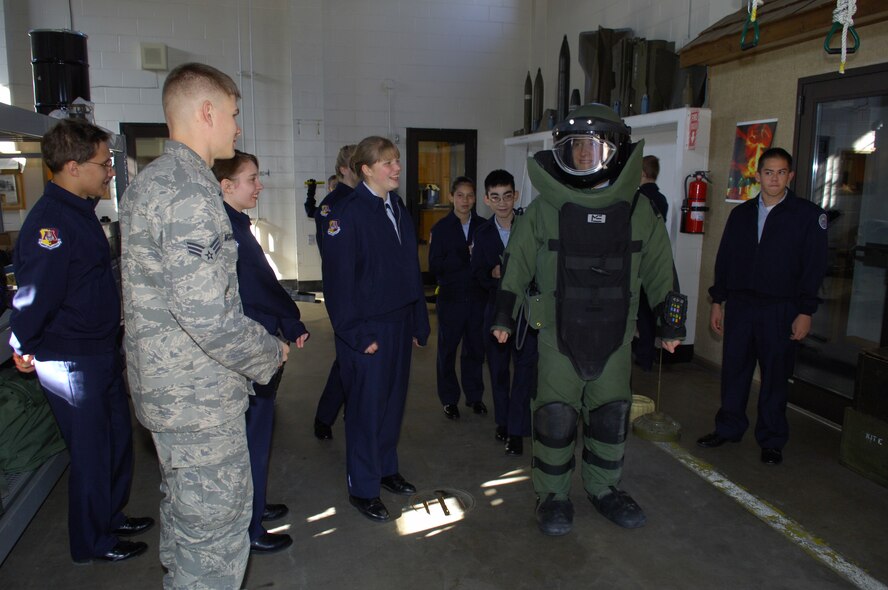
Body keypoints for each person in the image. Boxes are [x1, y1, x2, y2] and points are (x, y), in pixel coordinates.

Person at [119, 62, 288, 589]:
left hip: (167, 391)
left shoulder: (149, 183)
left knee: (186, 522)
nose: (237, 127)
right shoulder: (191, 193)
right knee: (214, 539)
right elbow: (209, 317)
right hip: (198, 399)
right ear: (207, 112)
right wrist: (269, 351)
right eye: (233, 114)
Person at [491, 104, 685, 536]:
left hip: (616, 337)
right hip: (557, 337)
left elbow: (661, 270)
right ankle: (552, 495)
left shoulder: (639, 212)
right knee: (555, 418)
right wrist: (503, 316)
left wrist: (671, 323)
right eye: (575, 147)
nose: (583, 156)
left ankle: (604, 487)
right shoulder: (544, 210)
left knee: (610, 417)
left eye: (593, 148)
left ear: (617, 152)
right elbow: (516, 265)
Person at [9, 118, 153, 564]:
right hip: (71, 358)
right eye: (103, 163)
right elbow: (35, 294)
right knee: (91, 452)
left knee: (116, 440)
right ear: (72, 167)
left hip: (99, 350)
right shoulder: (51, 223)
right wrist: (22, 343)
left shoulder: (80, 211)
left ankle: (110, 516)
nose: (109, 171)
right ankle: (92, 542)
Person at [321, 136, 430, 522]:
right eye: (387, 162)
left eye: (397, 160)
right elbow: (338, 283)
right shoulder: (347, 213)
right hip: (367, 329)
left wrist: (418, 319)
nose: (397, 167)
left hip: (399, 323)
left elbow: (409, 267)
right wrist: (356, 334)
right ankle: (363, 488)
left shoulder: (396, 206)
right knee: (366, 411)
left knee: (392, 405)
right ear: (366, 170)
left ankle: (385, 468)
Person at [697, 147, 828, 466]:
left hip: (781, 309)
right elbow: (725, 259)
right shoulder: (741, 215)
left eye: (781, 173)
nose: (774, 179)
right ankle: (728, 428)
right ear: (758, 176)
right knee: (734, 371)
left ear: (790, 176)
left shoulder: (807, 216)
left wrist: (805, 311)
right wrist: (718, 301)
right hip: (741, 306)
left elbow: (814, 267)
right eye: (768, 172)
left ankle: (771, 439)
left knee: (775, 377)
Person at [212, 151, 310, 554]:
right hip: (250, 352)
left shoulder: (236, 222)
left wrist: (289, 322)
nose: (260, 186)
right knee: (252, 439)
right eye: (252, 179)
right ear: (227, 186)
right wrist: (291, 317)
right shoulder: (226, 229)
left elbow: (263, 283)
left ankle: (255, 505)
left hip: (260, 341)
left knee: (258, 434)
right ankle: (249, 527)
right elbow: (257, 289)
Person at [471, 169, 538, 456]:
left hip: (526, 312)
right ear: (487, 199)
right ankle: (503, 421)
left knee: (525, 371)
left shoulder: (530, 227)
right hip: (496, 310)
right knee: (498, 371)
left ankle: (517, 429)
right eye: (495, 197)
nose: (502, 203)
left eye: (507, 196)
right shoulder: (482, 233)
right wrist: (492, 273)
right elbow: (476, 274)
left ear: (516, 196)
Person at [428, 176, 487, 420]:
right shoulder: (441, 229)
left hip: (477, 299)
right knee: (447, 351)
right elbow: (434, 266)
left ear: (475, 198)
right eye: (460, 195)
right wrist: (463, 254)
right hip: (451, 299)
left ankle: (474, 396)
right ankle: (449, 399)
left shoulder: (484, 227)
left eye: (470, 195)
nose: (465, 200)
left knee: (475, 350)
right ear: (451, 197)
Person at [312, 144, 358, 440]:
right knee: (348, 358)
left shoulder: (370, 199)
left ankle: (337, 414)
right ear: (343, 169)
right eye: (357, 165)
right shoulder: (331, 206)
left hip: (367, 294)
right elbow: (335, 258)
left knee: (354, 360)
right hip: (344, 293)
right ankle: (325, 416)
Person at [632, 155, 669, 371]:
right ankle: (647, 355)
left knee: (643, 315)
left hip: (641, 265)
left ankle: (644, 355)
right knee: (650, 313)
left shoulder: (640, 200)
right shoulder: (661, 198)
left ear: (642, 173)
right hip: (653, 262)